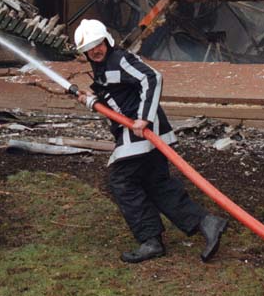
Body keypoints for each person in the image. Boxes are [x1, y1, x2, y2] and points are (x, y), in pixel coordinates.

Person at [73, 18, 228, 263]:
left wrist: (143, 118)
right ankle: (206, 222)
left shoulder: (119, 58)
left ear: (107, 40)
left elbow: (152, 78)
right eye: (89, 48)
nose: (95, 50)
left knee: (122, 180)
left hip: (142, 133)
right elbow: (117, 97)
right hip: (143, 132)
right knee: (157, 183)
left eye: (98, 43)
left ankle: (150, 240)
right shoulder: (102, 67)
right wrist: (91, 100)